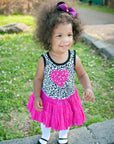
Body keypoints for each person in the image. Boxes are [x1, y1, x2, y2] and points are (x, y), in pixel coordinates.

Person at [27, 1, 95, 144]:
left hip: (67, 97)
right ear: (47, 37)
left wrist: (88, 87)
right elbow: (38, 78)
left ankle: (63, 135)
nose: (65, 40)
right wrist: (38, 96)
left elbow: (82, 74)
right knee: (46, 119)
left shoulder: (74, 57)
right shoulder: (44, 60)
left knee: (66, 118)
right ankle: (45, 135)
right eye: (59, 36)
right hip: (48, 98)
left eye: (69, 35)